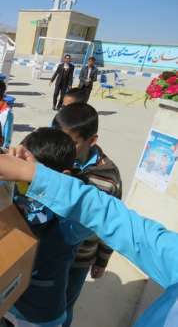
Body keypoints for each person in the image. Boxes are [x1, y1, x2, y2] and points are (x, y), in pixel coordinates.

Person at [0, 152, 178, 327]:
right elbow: (113, 219)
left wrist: (101, 260)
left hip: (45, 315)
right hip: (17, 305)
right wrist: (36, 176)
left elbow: (99, 218)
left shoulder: (67, 227)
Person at [6, 128, 92, 327]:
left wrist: (66, 186)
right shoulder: (15, 191)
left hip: (41, 313)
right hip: (8, 301)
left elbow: (93, 213)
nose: (23, 180)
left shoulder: (67, 221)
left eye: (33, 176)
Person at [52, 104, 122, 327]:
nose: (62, 147)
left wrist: (102, 260)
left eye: (71, 142)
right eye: (58, 138)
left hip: (80, 259)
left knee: (64, 307)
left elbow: (110, 223)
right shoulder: (53, 158)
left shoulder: (108, 177)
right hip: (48, 252)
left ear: (92, 140)